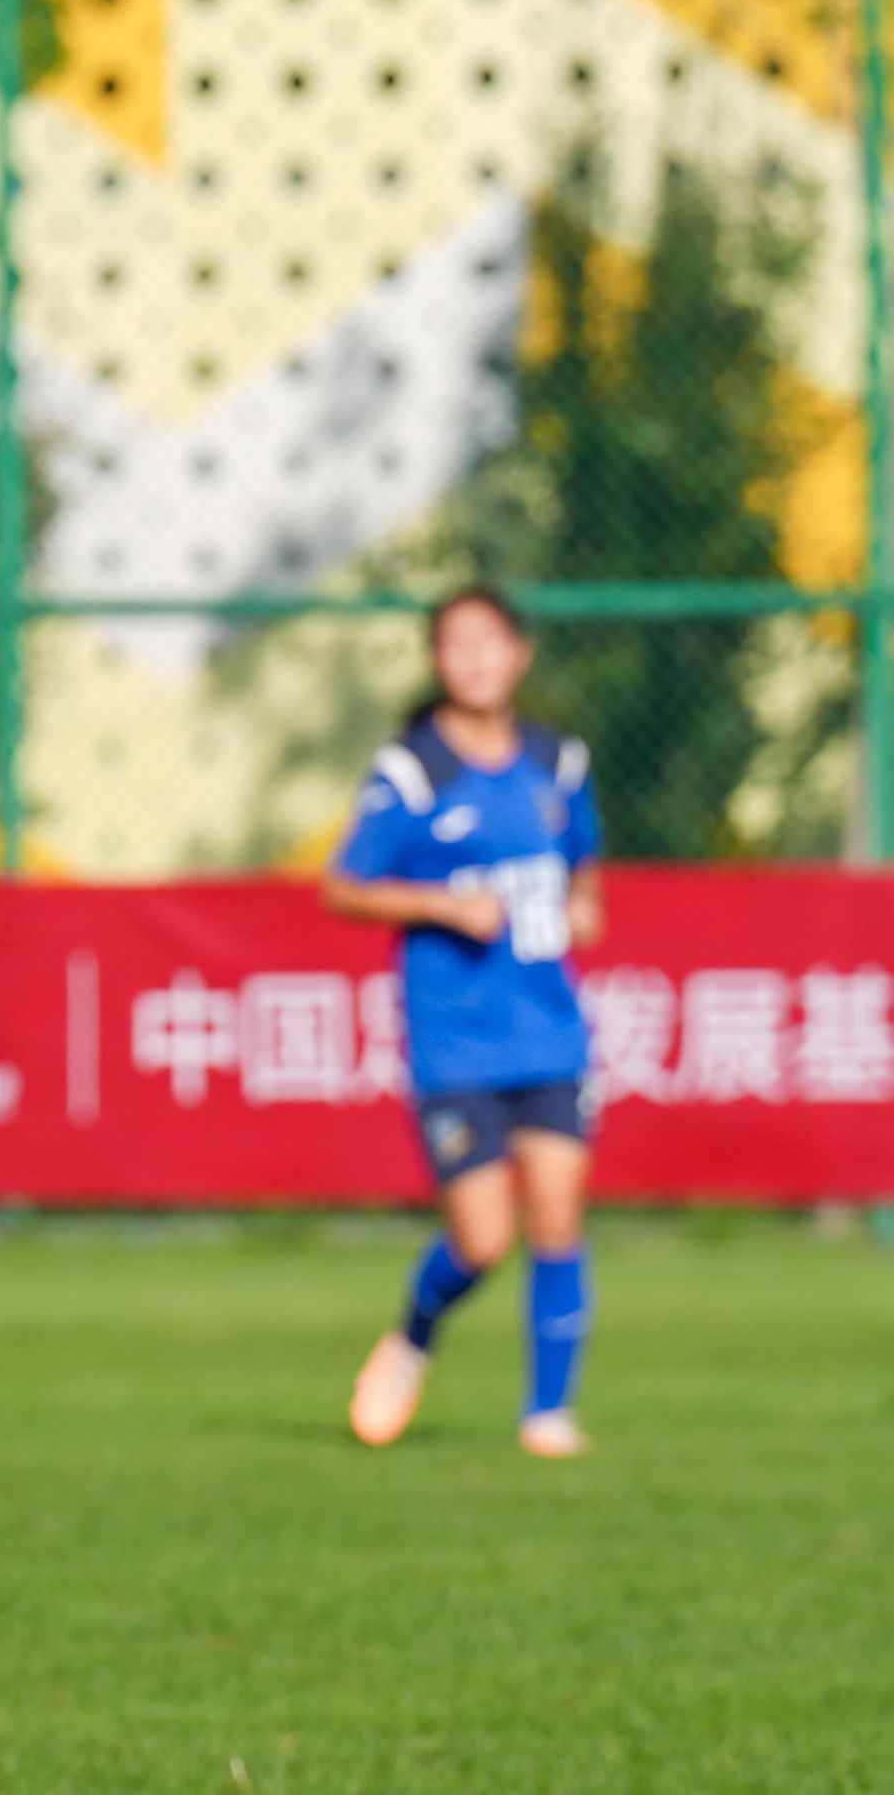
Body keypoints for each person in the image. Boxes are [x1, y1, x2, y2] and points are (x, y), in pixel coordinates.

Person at [331, 584, 601, 1458]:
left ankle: (546, 1413)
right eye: (457, 645)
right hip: (456, 1043)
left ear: (519, 654)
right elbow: (342, 883)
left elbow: (585, 867)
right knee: (484, 1239)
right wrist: (442, 907)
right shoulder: (411, 771)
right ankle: (413, 1333)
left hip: (549, 1033)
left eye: (491, 643)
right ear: (437, 661)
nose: (477, 660)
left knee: (557, 1214)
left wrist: (584, 907)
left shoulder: (558, 762)